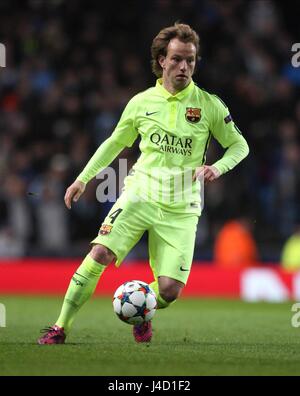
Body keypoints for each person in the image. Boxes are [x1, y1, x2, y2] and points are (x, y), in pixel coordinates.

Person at [38, 23, 249, 345]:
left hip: (182, 206)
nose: (184, 67)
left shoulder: (210, 105)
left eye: (190, 61)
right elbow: (115, 142)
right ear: (162, 60)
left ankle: (142, 307)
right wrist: (83, 178)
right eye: (177, 59)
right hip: (141, 193)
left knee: (169, 291)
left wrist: (217, 168)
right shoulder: (141, 102)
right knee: (100, 253)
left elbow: (240, 146)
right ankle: (60, 327)